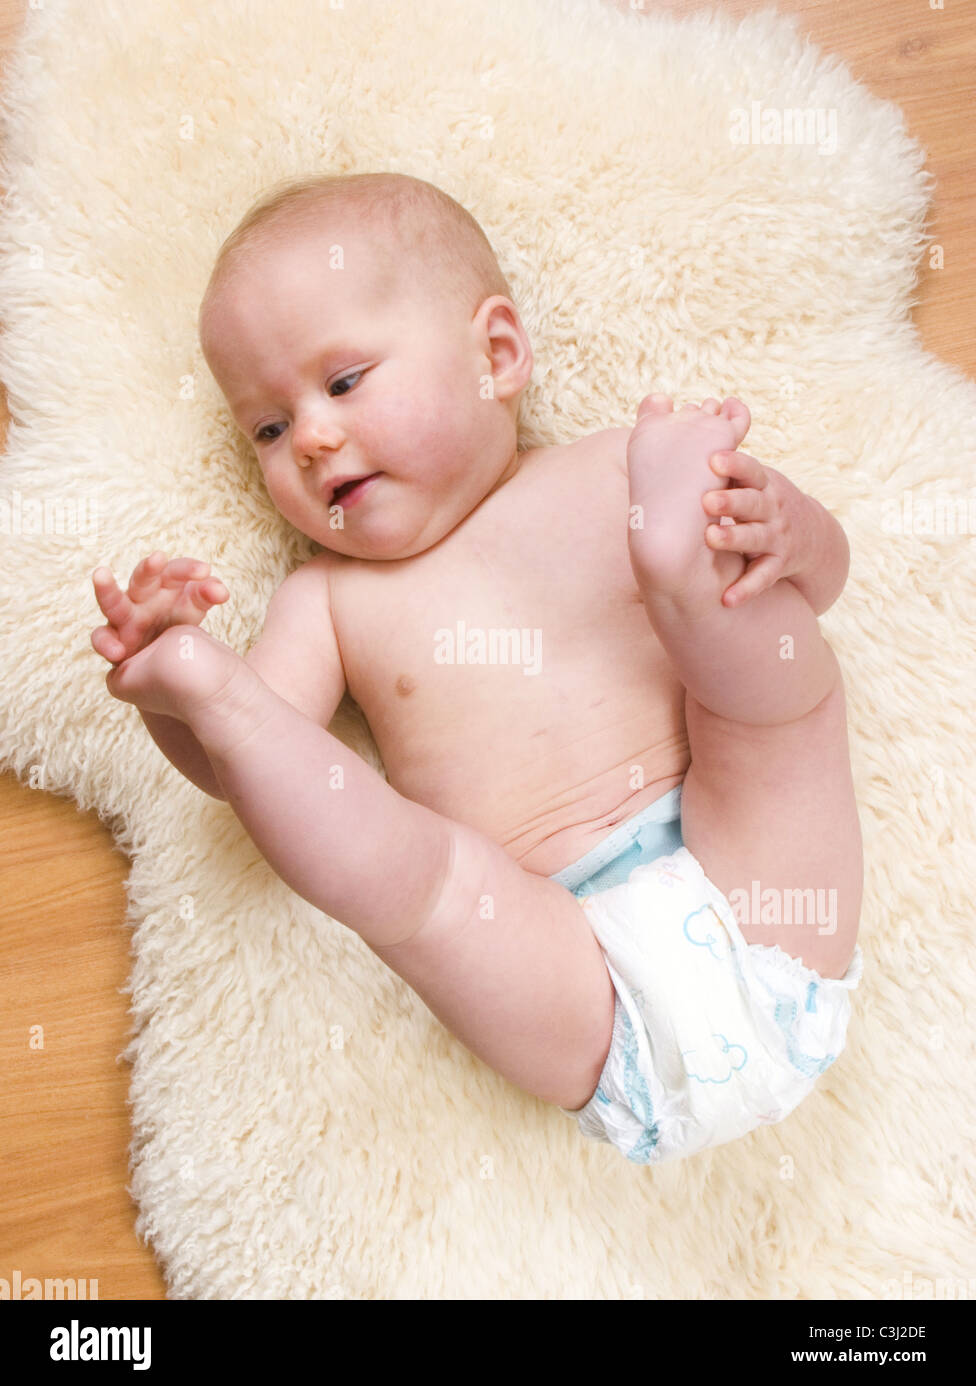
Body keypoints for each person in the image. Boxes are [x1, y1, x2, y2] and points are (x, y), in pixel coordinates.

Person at [90, 172, 863, 1165]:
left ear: (495, 355)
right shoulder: (328, 602)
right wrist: (179, 692)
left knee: (769, 697)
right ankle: (202, 682)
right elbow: (239, 773)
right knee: (424, 889)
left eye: (343, 381)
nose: (313, 439)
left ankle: (682, 578)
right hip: (572, 972)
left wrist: (791, 535)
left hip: (764, 898)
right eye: (269, 431)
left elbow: (819, 591)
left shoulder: (624, 470)